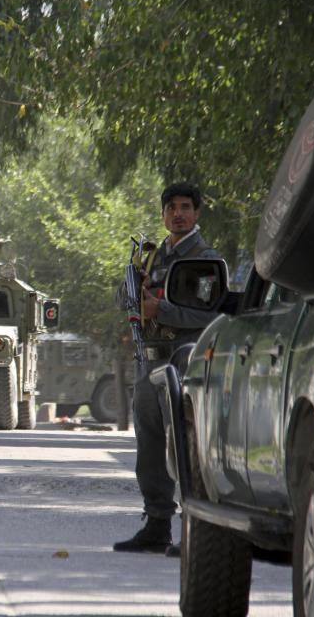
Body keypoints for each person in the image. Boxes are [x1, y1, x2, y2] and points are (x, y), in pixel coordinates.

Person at [113, 182, 223, 555]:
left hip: (185, 357)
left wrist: (161, 311)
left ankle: (195, 526)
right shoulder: (152, 256)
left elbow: (209, 312)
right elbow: (125, 300)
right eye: (171, 207)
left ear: (196, 213)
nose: (177, 214)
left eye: (185, 207)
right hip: (151, 357)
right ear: (163, 213)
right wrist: (133, 287)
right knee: (150, 442)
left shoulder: (204, 259)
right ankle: (157, 522)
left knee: (187, 441)